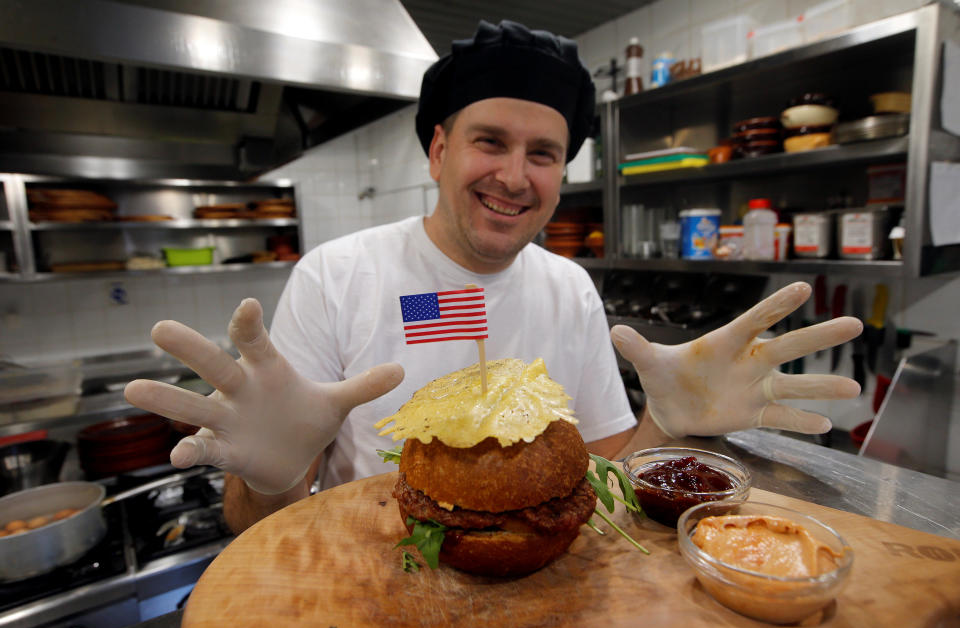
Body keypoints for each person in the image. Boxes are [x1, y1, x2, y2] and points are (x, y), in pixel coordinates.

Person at [125, 21, 862, 534]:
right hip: (372, 587)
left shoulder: (568, 286)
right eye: (490, 141)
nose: (515, 176)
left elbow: (605, 476)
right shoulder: (335, 276)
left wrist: (665, 428)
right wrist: (272, 479)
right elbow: (254, 523)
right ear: (438, 148)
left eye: (543, 153)